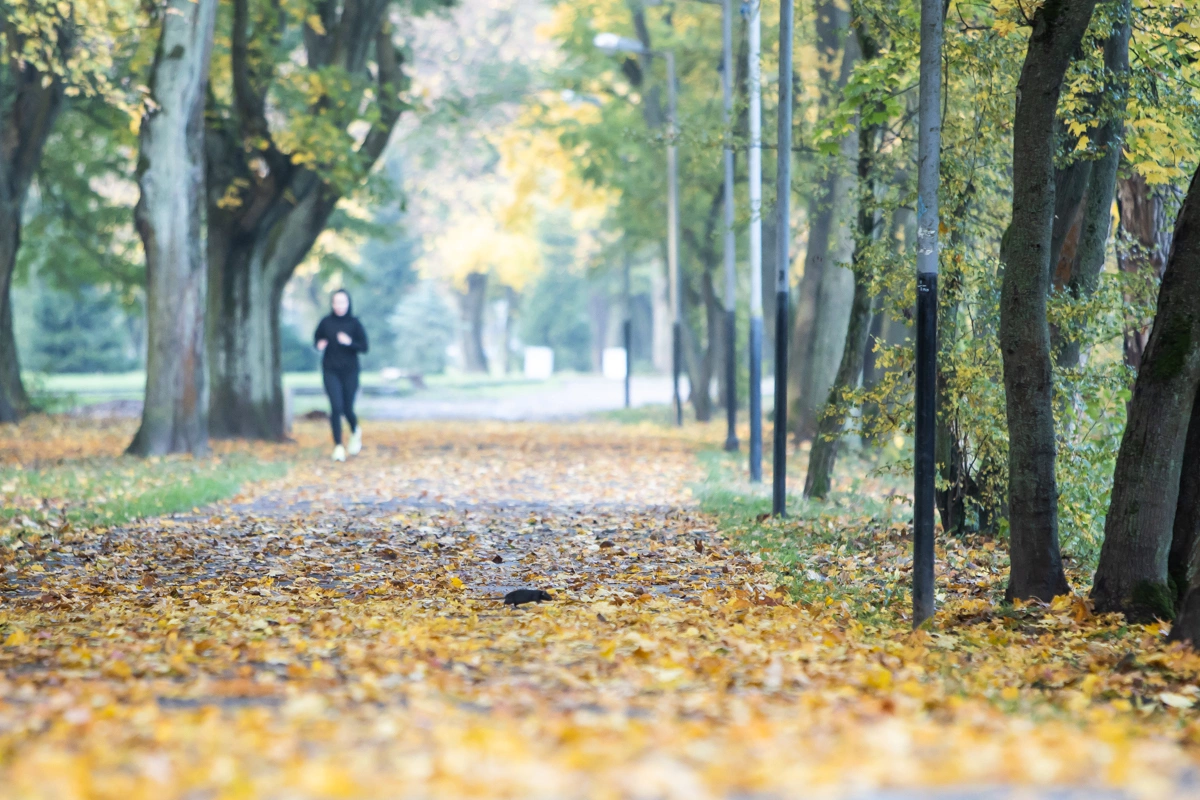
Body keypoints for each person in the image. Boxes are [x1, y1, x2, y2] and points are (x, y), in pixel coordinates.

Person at [313, 289, 369, 462]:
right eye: (336, 302)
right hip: (330, 370)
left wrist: (350, 342)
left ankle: (354, 430)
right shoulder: (326, 322)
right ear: (332, 304)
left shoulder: (355, 323)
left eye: (343, 302)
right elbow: (317, 340)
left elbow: (364, 347)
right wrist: (319, 344)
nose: (340, 305)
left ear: (348, 303)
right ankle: (338, 446)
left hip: (350, 371)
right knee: (336, 408)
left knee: (347, 409)